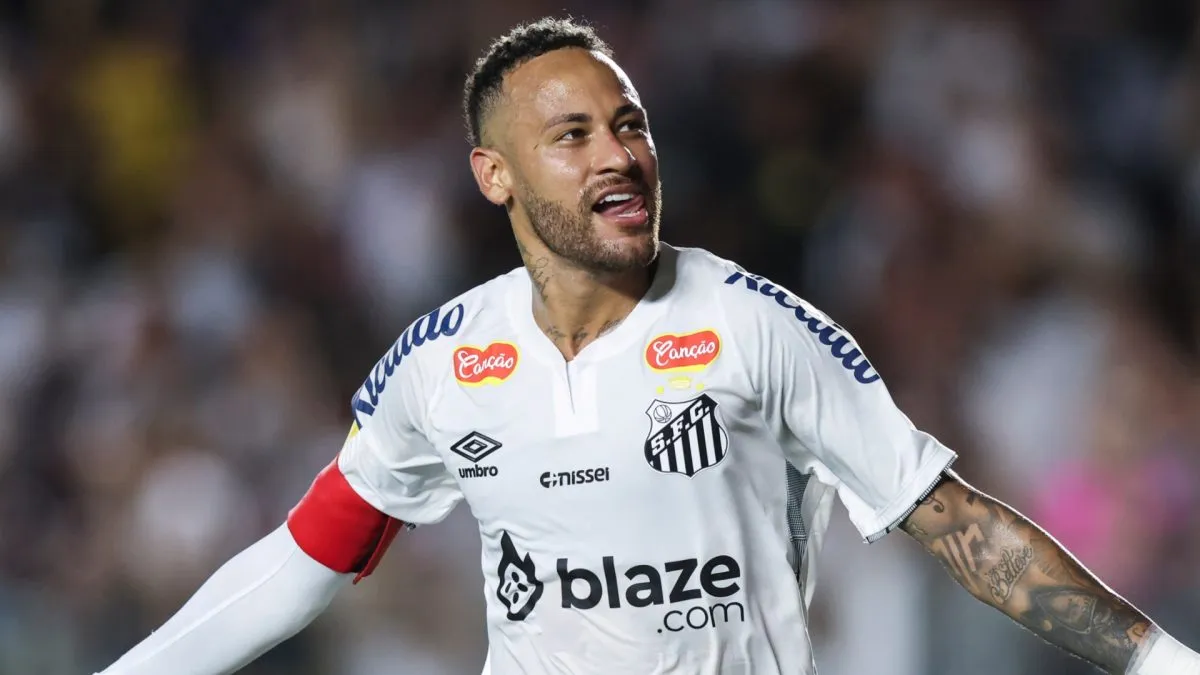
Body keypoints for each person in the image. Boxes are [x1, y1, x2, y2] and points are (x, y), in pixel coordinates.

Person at [95, 17, 1199, 675]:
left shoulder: (752, 326)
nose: (619, 155)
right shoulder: (444, 362)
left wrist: (1161, 662)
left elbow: (960, 528)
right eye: (570, 137)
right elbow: (308, 554)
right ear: (497, 177)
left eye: (630, 125)